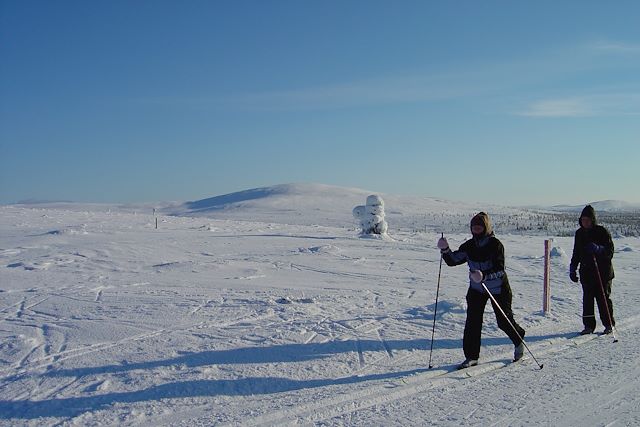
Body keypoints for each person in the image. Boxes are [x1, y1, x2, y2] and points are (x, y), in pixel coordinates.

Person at [437, 212, 526, 369]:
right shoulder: (469, 245)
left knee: (504, 321)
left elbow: (500, 269)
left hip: (498, 288)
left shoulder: (495, 245)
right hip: (476, 289)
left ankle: (518, 339)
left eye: (479, 227)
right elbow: (453, 260)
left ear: (486, 228)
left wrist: (484, 276)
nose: (476, 230)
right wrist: (445, 250)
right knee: (473, 321)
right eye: (474, 228)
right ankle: (471, 356)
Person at [569, 205, 615, 335]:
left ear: (593, 220)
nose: (585, 222)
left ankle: (609, 324)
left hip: (602, 273)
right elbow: (576, 252)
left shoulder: (602, 232)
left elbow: (610, 251)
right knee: (587, 301)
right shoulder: (579, 234)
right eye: (583, 220)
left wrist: (599, 249)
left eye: (588, 220)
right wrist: (573, 268)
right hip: (587, 273)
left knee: (603, 299)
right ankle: (589, 326)